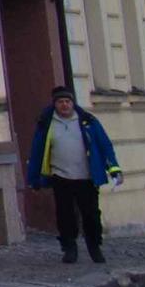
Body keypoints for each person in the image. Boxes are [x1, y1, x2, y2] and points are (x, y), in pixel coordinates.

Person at [25, 80, 118, 263]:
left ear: (73, 103)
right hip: (61, 177)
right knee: (65, 216)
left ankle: (94, 246)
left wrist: (114, 168)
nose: (64, 105)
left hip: (87, 177)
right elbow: (37, 151)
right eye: (60, 102)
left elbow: (104, 145)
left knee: (91, 214)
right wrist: (34, 178)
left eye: (67, 101)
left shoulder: (88, 121)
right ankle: (69, 248)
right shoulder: (47, 124)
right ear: (55, 104)